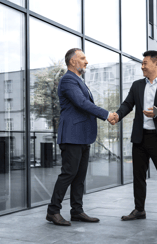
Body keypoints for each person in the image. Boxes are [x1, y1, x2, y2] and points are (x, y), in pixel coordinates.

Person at [46, 48, 117, 226]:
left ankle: (77, 211)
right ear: (72, 61)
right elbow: (82, 103)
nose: (86, 61)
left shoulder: (79, 81)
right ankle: (53, 211)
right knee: (68, 173)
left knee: (79, 176)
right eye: (83, 58)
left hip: (82, 136)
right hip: (71, 136)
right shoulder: (68, 80)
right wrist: (106, 114)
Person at [112, 51, 157, 225]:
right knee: (138, 176)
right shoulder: (137, 85)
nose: (142, 66)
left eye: (145, 63)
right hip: (140, 138)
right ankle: (139, 210)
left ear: (156, 64)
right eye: (142, 63)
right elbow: (127, 104)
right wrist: (117, 115)